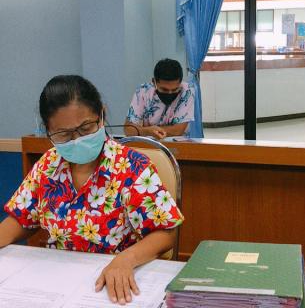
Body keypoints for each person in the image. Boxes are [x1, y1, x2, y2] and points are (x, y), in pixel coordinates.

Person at [0, 75, 183, 305]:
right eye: (63, 134)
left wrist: (127, 259)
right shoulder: (48, 165)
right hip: (59, 282)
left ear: (101, 116)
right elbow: (22, 217)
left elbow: (166, 233)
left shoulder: (131, 167)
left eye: (86, 128)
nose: (77, 140)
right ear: (48, 132)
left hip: (114, 282)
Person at [124, 58, 195, 139]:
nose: (170, 93)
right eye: (164, 90)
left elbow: (177, 131)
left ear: (180, 83)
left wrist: (145, 130)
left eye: (175, 90)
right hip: (149, 143)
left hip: (178, 143)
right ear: (154, 82)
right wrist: (147, 131)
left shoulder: (187, 91)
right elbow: (128, 130)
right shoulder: (143, 91)